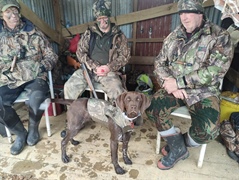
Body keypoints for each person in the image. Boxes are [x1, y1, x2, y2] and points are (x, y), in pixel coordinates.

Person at [146, 0, 233, 170]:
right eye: (181, 13)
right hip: (173, 89)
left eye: (188, 12)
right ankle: (178, 149)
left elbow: (216, 70)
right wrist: (169, 83)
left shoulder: (219, 36)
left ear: (200, 13)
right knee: (152, 108)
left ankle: (179, 144)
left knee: (208, 131)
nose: (184, 17)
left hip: (204, 92)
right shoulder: (173, 36)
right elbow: (159, 63)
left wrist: (180, 82)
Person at [0, 0, 58, 155]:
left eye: (15, 11)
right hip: (9, 78)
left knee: (37, 97)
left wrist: (43, 66)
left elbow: (51, 54)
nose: (13, 16)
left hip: (35, 76)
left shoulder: (34, 32)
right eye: (8, 13)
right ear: (2, 15)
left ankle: (33, 128)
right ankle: (20, 133)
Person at [64, 0, 130, 102]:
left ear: (109, 17)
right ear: (96, 19)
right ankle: (73, 114)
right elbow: (80, 52)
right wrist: (94, 67)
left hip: (108, 72)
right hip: (88, 70)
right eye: (99, 18)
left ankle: (117, 116)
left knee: (117, 91)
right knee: (69, 87)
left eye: (105, 18)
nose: (102, 21)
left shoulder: (119, 35)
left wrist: (109, 67)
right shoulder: (89, 33)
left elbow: (125, 56)